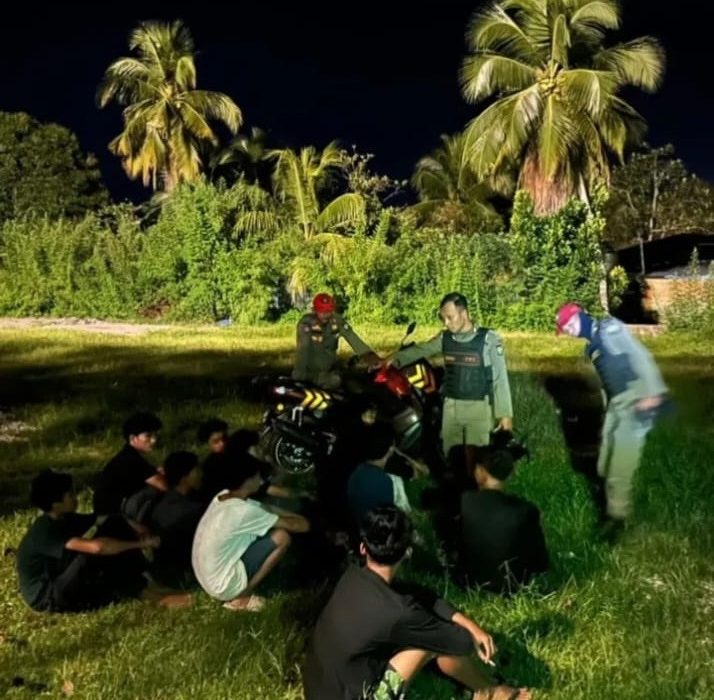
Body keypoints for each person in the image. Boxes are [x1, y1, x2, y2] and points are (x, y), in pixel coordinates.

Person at [302, 506, 531, 700]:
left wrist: (470, 624)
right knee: (428, 645)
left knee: (425, 636)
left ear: (364, 547)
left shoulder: (353, 575)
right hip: (354, 696)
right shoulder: (399, 613)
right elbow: (460, 643)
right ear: (407, 553)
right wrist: (470, 632)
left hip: (318, 686)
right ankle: (490, 691)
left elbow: (417, 594)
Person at [555, 302, 670, 522]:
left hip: (636, 397)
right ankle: (608, 498)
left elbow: (640, 356)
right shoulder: (590, 347)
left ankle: (616, 518)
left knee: (619, 465)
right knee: (604, 460)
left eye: (568, 324)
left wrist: (654, 392)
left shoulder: (609, 329)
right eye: (564, 328)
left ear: (580, 315)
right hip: (617, 403)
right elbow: (605, 382)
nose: (568, 331)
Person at [16, 469, 188, 612]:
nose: (76, 497)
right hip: (50, 596)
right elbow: (97, 548)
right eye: (70, 494)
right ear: (55, 503)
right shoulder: (45, 531)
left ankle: (147, 584)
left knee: (115, 523)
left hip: (64, 578)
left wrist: (133, 524)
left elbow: (103, 518)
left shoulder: (63, 518)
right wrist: (142, 544)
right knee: (92, 554)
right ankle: (152, 596)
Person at [388, 292, 514, 460]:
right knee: (452, 457)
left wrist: (505, 416)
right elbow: (421, 350)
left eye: (450, 317)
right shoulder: (445, 338)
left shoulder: (488, 340)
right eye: (443, 319)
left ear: (464, 314)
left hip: (478, 408)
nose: (446, 323)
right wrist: (391, 360)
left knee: (476, 459)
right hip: (451, 407)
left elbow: (500, 379)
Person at [191, 456, 310, 611]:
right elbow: (301, 526)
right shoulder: (243, 512)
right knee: (281, 537)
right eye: (257, 475)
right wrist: (303, 517)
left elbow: (265, 509)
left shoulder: (223, 496)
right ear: (247, 481)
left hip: (208, 580)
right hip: (224, 586)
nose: (260, 479)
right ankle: (242, 596)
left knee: (266, 527)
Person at [459, 448, 548, 594]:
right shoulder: (526, 510)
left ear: (480, 472)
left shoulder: (462, 502)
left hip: (469, 584)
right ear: (509, 474)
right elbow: (540, 563)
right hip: (513, 587)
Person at [292, 292, 378, 390]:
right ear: (314, 310)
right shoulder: (306, 324)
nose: (325, 315)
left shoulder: (336, 320)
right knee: (334, 382)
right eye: (322, 311)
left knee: (357, 384)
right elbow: (303, 350)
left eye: (328, 311)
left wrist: (370, 357)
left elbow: (352, 337)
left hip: (331, 370)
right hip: (311, 374)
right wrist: (298, 378)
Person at [148, 451, 205, 588]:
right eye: (196, 470)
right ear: (184, 477)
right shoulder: (191, 510)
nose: (201, 474)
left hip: (163, 571)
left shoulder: (160, 502)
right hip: (184, 576)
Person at [93, 412, 165, 516]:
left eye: (155, 435)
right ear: (132, 438)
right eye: (148, 436)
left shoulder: (127, 456)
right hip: (113, 516)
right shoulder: (131, 459)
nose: (154, 440)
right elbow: (164, 486)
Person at [346, 423, 413, 530]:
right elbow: (390, 518)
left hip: (362, 529)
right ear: (390, 449)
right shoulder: (383, 481)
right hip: (379, 532)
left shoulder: (357, 471)